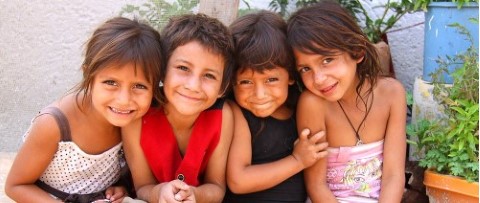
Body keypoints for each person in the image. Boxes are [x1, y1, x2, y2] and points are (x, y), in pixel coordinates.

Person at [5, 17, 163, 203]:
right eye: (111, 82)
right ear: (88, 74)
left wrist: (122, 187)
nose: (124, 100)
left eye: (139, 86)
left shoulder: (137, 120)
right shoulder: (55, 125)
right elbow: (16, 186)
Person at [287, 1, 406, 202]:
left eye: (327, 60)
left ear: (357, 51)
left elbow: (393, 176)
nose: (318, 79)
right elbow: (316, 185)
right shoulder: (313, 104)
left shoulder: (392, 94)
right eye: (305, 69)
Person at [121, 13, 235, 203]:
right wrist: (161, 192)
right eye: (183, 68)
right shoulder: (138, 116)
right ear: (162, 71)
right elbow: (142, 187)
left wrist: (195, 195)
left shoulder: (222, 116)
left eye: (209, 76)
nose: (193, 85)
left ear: (223, 87)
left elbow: (216, 187)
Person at [222, 11, 328, 203]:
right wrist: (297, 161)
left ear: (290, 75)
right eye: (246, 81)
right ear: (231, 82)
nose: (260, 94)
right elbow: (238, 180)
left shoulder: (302, 107)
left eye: (271, 79)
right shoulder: (236, 112)